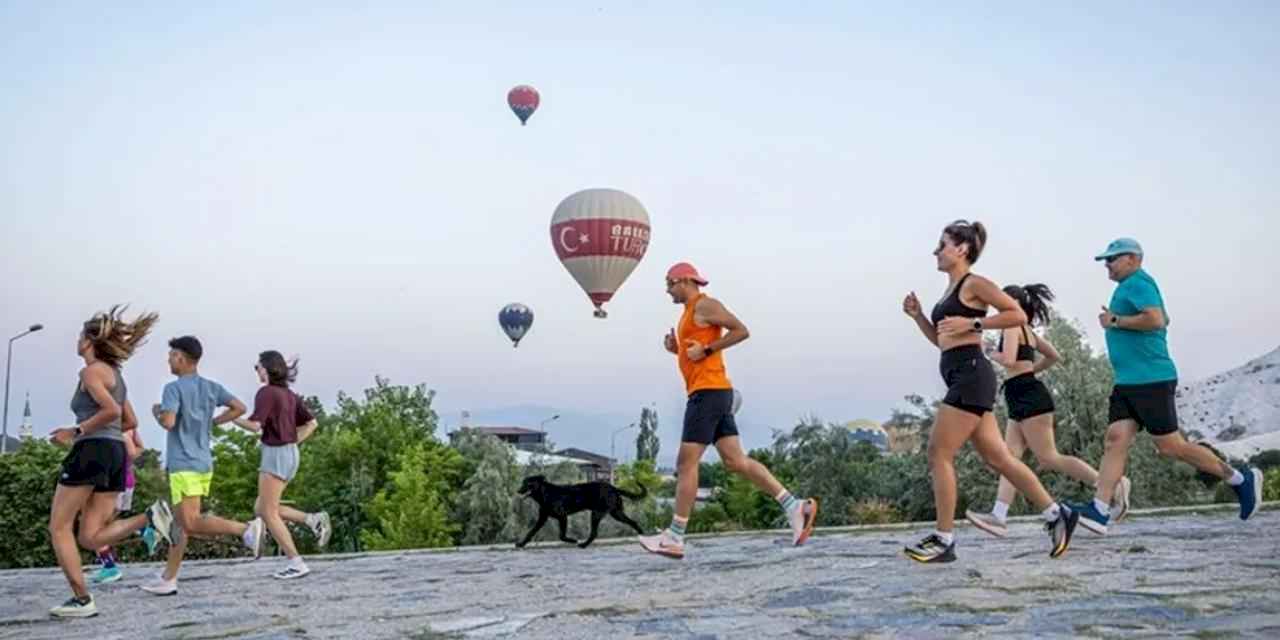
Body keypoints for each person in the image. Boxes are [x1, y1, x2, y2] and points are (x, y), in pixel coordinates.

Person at [901, 221, 1078, 563]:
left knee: (938, 452)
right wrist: (918, 316)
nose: (936, 251)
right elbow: (942, 341)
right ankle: (1057, 515)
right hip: (961, 373)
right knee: (998, 458)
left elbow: (1016, 314)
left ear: (962, 249)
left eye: (942, 245)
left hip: (971, 375)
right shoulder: (951, 290)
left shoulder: (975, 284)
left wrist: (976, 323)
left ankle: (943, 539)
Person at [1070, 239, 1263, 533]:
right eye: (1104, 260)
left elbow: (1156, 320)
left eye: (1112, 259)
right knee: (1115, 439)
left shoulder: (1138, 282)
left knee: (1171, 447)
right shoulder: (1131, 286)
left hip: (1150, 379)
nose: (1107, 265)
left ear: (1133, 259)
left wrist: (1115, 320)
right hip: (1128, 382)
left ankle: (1240, 479)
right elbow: (1165, 317)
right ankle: (1099, 510)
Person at [639, 262, 818, 559]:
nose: (667, 290)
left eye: (669, 284)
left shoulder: (705, 304)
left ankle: (674, 536)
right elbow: (697, 352)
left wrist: (706, 350)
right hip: (714, 391)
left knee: (686, 464)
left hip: (708, 393)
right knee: (735, 461)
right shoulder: (688, 313)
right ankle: (795, 506)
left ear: (685, 280)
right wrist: (678, 349)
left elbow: (741, 331)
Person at [966, 284, 1131, 537]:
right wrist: (1029, 370)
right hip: (1020, 394)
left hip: (1028, 396)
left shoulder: (1011, 326)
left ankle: (1112, 485)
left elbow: (1009, 360)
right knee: (1009, 458)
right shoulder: (1027, 330)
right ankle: (999, 515)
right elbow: (1053, 355)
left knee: (1049, 458)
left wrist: (989, 352)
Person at [47, 306, 173, 618]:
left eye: (80, 336)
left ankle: (81, 599)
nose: (76, 341)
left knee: (59, 526)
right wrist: (103, 431)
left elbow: (113, 413)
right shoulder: (116, 376)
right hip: (115, 451)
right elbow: (129, 418)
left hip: (93, 449)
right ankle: (149, 517)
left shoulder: (90, 372)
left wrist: (76, 430)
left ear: (89, 341)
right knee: (89, 536)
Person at [139, 335, 265, 596]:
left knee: (191, 522)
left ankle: (245, 529)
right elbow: (239, 407)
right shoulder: (211, 387)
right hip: (202, 461)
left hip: (183, 463)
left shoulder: (173, 389)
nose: (169, 360)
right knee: (179, 522)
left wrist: (157, 413)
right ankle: (169, 578)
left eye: (172, 355)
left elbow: (169, 422)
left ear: (182, 358)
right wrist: (214, 422)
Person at [232, 351, 330, 579]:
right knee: (262, 508)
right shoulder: (289, 395)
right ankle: (311, 520)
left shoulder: (266, 393)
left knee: (267, 512)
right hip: (291, 454)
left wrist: (231, 418)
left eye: (257, 367)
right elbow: (312, 423)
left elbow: (255, 426)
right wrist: (293, 440)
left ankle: (296, 563)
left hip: (275, 455)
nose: (256, 371)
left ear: (266, 368)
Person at [89, 426, 145, 584]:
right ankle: (142, 529)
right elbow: (138, 449)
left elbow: (132, 452)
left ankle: (109, 568)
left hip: (113, 483)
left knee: (95, 528)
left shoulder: (116, 429)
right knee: (106, 526)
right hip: (127, 480)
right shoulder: (130, 428)